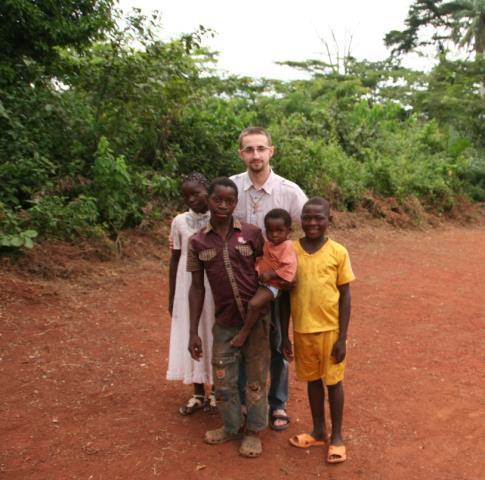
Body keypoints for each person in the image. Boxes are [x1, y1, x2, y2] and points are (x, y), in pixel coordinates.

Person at [230, 126, 307, 430]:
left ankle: (278, 403)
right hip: (240, 279)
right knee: (244, 338)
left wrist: (293, 264)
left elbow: (313, 222)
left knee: (276, 341)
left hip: (276, 282)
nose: (255, 155)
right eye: (249, 149)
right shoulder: (232, 188)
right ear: (241, 154)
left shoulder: (288, 190)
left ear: (271, 151)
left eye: (261, 148)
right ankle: (244, 399)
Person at [187, 177, 270, 458]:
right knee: (223, 379)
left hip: (256, 322)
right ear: (208, 201)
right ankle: (231, 426)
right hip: (223, 324)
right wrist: (193, 332)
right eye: (217, 200)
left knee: (256, 379)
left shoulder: (252, 233)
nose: (223, 206)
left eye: (229, 201)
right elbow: (196, 288)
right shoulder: (197, 242)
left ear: (236, 203)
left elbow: (268, 270)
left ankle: (254, 431)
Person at [283, 197, 355, 464]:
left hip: (330, 330)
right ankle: (317, 430)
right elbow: (283, 296)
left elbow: (345, 295)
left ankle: (336, 436)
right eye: (307, 217)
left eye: (318, 218)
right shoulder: (290, 250)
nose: (312, 223)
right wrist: (284, 333)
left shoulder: (338, 252)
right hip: (302, 329)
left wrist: (343, 337)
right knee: (312, 380)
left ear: (329, 220)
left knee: (333, 382)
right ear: (299, 219)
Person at [166, 173, 216, 415]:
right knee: (192, 330)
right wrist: (172, 295)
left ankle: (216, 389)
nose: (192, 199)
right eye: (186, 195)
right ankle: (197, 391)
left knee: (214, 331)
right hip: (189, 282)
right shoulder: (179, 222)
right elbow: (175, 258)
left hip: (214, 282)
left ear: (208, 190)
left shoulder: (220, 217)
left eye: (196, 192)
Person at [230, 208, 297, 348]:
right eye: (270, 231)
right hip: (262, 281)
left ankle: (244, 332)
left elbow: (290, 268)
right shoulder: (268, 244)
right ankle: (266, 322)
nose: (274, 235)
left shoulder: (287, 246)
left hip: (274, 285)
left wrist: (270, 274)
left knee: (254, 304)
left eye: (279, 231)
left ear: (288, 231)